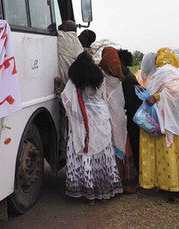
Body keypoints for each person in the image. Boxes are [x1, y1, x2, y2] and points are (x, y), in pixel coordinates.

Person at [61, 51, 123, 201]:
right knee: (102, 154)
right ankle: (104, 189)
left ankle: (87, 189)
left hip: (82, 122)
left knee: (84, 153)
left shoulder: (73, 80)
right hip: (100, 118)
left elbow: (67, 100)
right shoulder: (99, 76)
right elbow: (102, 97)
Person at [139, 47, 179, 203]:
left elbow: (175, 91)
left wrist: (156, 96)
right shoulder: (171, 70)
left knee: (175, 155)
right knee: (173, 155)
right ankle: (171, 185)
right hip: (173, 120)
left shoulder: (166, 71)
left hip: (173, 122)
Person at [99, 47, 137, 193]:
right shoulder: (120, 77)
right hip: (120, 117)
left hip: (107, 118)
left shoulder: (101, 75)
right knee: (122, 144)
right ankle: (126, 183)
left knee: (110, 148)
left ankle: (114, 182)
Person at [118, 49, 142, 172]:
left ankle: (137, 172)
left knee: (134, 143)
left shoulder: (127, 79)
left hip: (134, 116)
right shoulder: (128, 75)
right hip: (134, 114)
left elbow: (128, 101)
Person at [56, 20, 84, 87]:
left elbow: (49, 29)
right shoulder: (78, 43)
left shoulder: (63, 37)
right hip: (75, 82)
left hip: (65, 81)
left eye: (62, 25)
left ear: (65, 28)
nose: (59, 26)